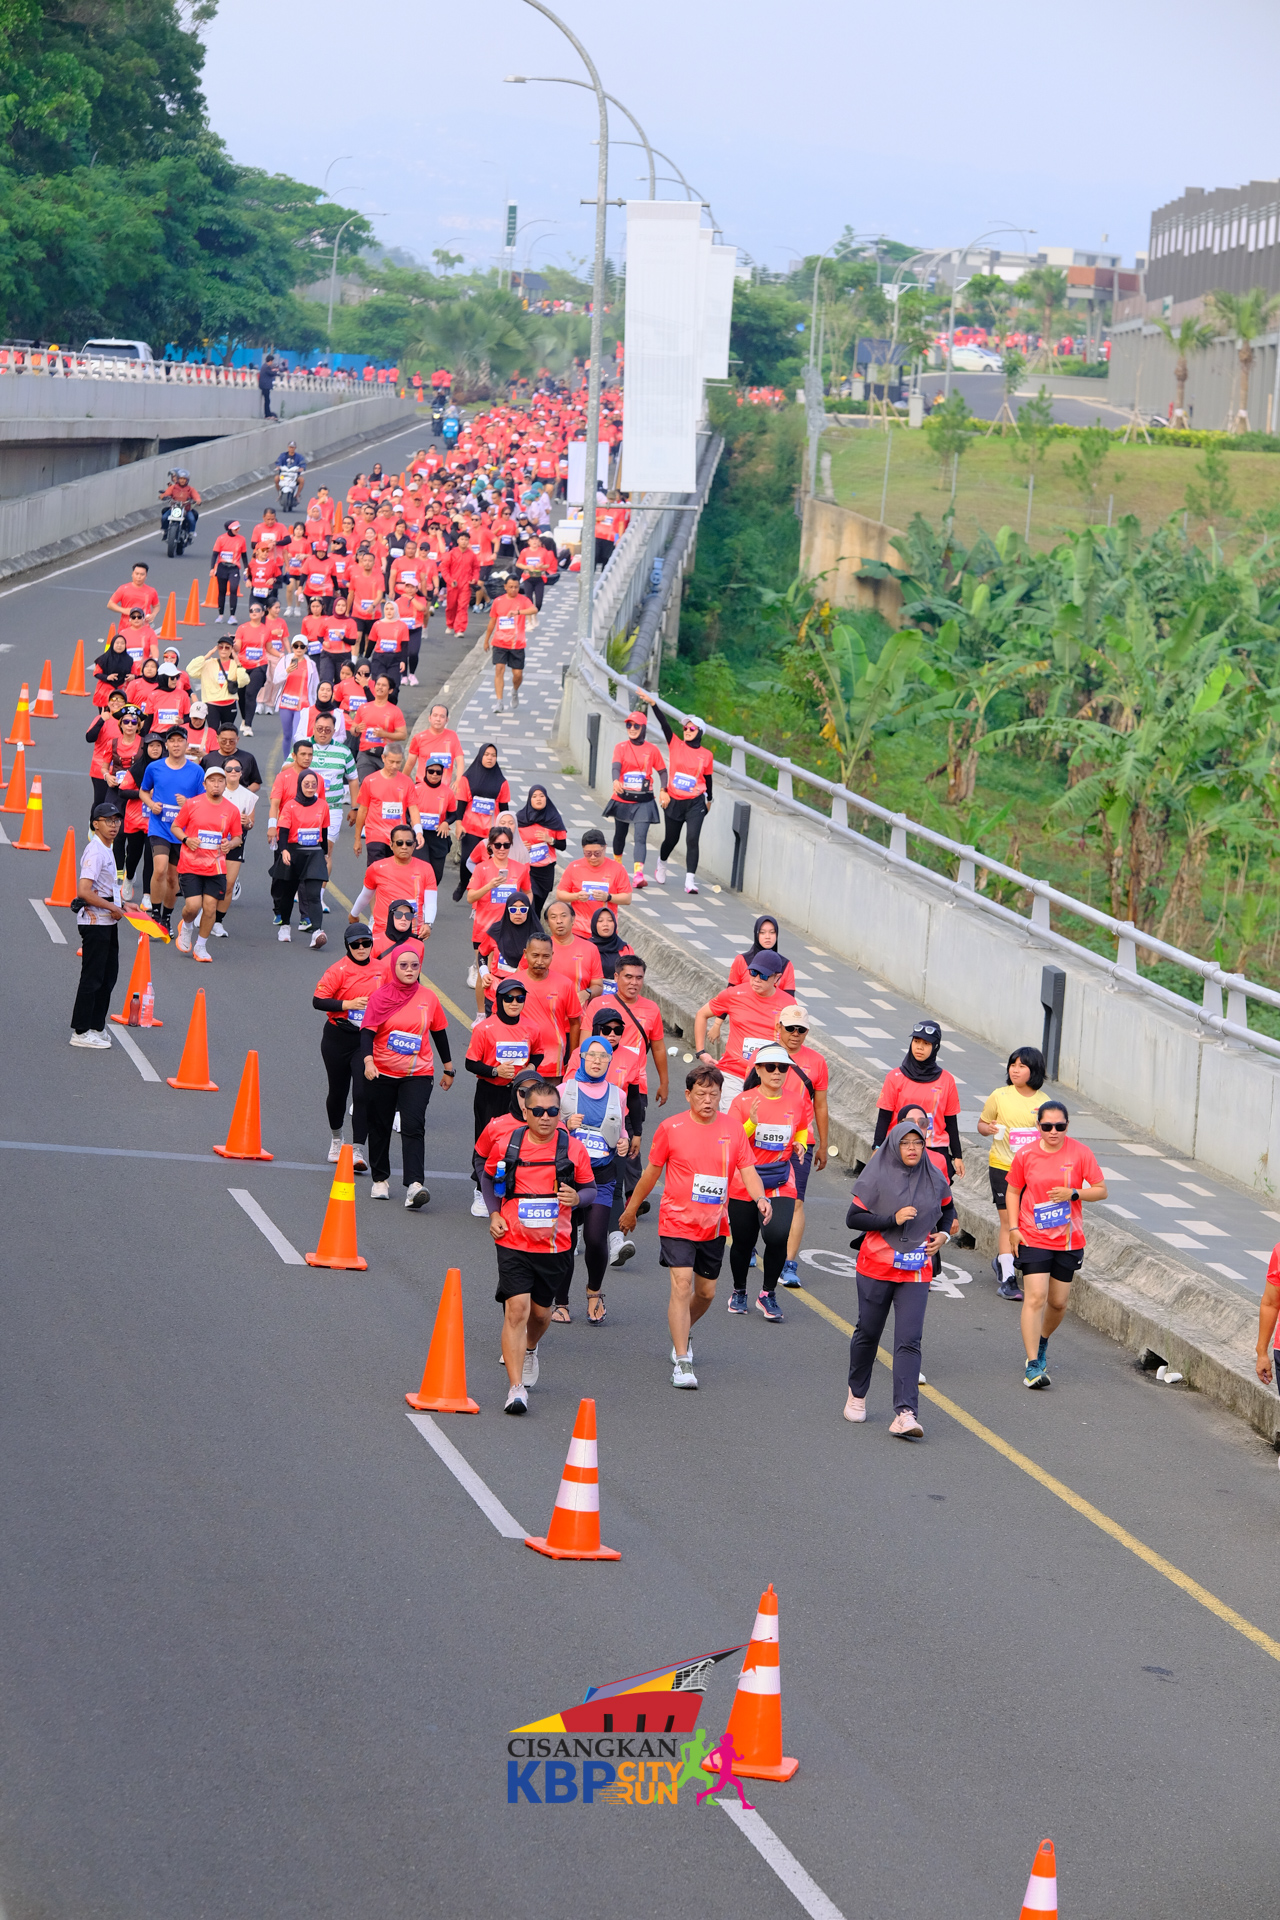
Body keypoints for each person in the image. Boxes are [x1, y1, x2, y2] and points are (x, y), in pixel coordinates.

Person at [618, 1062, 768, 1390]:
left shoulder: (734, 1130)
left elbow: (748, 1171)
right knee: (682, 1285)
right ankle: (683, 1362)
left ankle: (682, 1330)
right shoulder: (671, 1128)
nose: (707, 1100)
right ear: (688, 1095)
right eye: (701, 1094)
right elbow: (651, 1173)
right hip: (677, 1221)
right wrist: (630, 1211)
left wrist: (760, 1198)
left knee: (706, 1293)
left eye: (713, 1094)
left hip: (713, 1226)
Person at [480, 1075, 596, 1414]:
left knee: (542, 1314)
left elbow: (590, 1189)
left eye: (553, 1111)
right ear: (526, 1112)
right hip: (512, 1239)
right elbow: (488, 1176)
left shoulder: (573, 1148)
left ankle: (530, 1348)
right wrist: (493, 1213)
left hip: (554, 1245)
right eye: (539, 1111)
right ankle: (516, 1389)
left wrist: (577, 1198)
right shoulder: (508, 1143)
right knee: (517, 1309)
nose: (546, 1117)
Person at [844, 1121, 957, 1436]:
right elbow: (853, 1218)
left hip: (916, 1269)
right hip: (876, 1266)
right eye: (905, 1143)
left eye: (917, 1143)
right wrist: (891, 1219)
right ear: (894, 1145)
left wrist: (944, 1235)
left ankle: (906, 1413)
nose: (912, 1148)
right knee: (868, 1333)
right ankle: (857, 1393)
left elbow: (948, 1210)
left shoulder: (933, 1175)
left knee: (909, 1340)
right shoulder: (878, 1174)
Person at [1006, 1100, 1107, 1389]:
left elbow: (1101, 1190)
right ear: (1038, 1126)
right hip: (1032, 1235)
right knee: (1035, 1297)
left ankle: (1042, 1341)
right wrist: (1013, 1228)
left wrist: (1074, 1193)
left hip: (1068, 1239)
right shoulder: (1026, 1154)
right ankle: (1032, 1365)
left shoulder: (1080, 1153)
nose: (1053, 1132)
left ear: (1067, 1126)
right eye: (1047, 1126)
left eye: (1059, 1126)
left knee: (1058, 1303)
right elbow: (1013, 1191)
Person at [724, 1043, 816, 1321]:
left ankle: (767, 1293)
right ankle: (739, 1291)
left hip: (780, 1179)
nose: (777, 1072)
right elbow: (732, 1141)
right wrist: (751, 1123)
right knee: (743, 1242)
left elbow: (802, 1129)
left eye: (783, 1068)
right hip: (745, 1179)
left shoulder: (796, 1101)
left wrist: (800, 1145)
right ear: (759, 1070)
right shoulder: (743, 1102)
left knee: (777, 1236)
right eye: (771, 1067)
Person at [359, 939, 453, 1207]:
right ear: (394, 967)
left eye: (414, 965)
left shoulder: (428, 997)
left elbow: (439, 1032)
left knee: (413, 1125)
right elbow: (367, 1033)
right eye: (403, 965)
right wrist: (368, 1062)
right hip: (382, 1072)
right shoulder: (379, 997)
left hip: (418, 1073)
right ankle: (380, 1179)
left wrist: (448, 1068)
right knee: (380, 1125)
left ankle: (414, 1185)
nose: (410, 970)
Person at [466, 978, 550, 1218]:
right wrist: (495, 1071)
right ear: (499, 1000)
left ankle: (511, 1189)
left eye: (519, 998)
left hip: (521, 1094)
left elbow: (538, 1052)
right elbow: (470, 1062)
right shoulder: (485, 1028)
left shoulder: (532, 1027)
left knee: (519, 1139)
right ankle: (481, 1189)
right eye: (509, 998)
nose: (514, 1003)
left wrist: (531, 1066)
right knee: (487, 1140)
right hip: (491, 1092)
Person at [560, 1036, 627, 1325]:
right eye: (592, 1055)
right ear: (582, 1057)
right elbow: (544, 1128)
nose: (597, 1061)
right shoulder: (564, 1090)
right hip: (568, 1176)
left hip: (601, 1177)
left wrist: (624, 1142)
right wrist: (565, 1124)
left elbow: (620, 1130)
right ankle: (560, 1301)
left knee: (596, 1239)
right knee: (565, 1240)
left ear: (610, 1061)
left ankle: (594, 1293)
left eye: (604, 1056)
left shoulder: (618, 1094)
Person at [977, 1046, 1047, 1301]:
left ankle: (1004, 1260)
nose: (1015, 1070)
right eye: (1012, 1065)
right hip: (1002, 1166)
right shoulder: (999, 1095)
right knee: (1009, 1221)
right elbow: (982, 1124)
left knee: (1027, 1222)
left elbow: (1052, 1136)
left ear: (1034, 1070)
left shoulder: (1044, 1102)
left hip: (1032, 1172)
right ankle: (1008, 1279)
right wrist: (989, 1128)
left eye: (1022, 1066)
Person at [769, 1004, 829, 1286]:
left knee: (795, 1202)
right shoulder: (763, 1056)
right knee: (758, 1197)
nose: (795, 1033)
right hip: (765, 1138)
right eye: (790, 1028)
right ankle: (752, 1245)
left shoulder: (817, 1062)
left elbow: (821, 1105)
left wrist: (824, 1144)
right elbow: (748, 1097)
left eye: (801, 1029)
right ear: (778, 1027)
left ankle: (789, 1263)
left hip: (800, 1142)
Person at [693, 953, 795, 1111]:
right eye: (753, 972)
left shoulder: (788, 1004)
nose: (757, 979)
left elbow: (794, 1040)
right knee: (733, 1122)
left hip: (767, 1077)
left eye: (764, 975)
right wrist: (701, 1052)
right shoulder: (734, 994)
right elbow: (702, 1014)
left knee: (759, 1124)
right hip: (733, 1074)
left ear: (777, 977)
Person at [637, 691, 713, 894]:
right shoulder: (675, 744)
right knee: (671, 839)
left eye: (692, 728)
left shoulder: (707, 755)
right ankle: (661, 863)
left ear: (700, 732)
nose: (687, 731)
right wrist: (653, 704)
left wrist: (709, 799)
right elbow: (664, 724)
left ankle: (690, 881)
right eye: (685, 728)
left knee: (692, 839)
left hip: (696, 802)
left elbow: (708, 778)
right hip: (674, 800)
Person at [873, 1021, 964, 1181]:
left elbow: (951, 1121)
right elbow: (884, 1116)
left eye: (926, 1043)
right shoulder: (895, 1077)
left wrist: (957, 1156)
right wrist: (877, 1147)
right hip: (900, 1147)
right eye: (916, 1041)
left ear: (935, 1047)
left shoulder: (946, 1080)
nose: (919, 1047)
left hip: (934, 1149)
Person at [139, 725, 206, 932]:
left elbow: (204, 801)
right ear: (166, 745)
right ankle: (155, 914)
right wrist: (151, 804)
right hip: (159, 827)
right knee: (159, 868)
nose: (176, 745)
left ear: (186, 744)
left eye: (180, 741)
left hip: (182, 831)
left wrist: (188, 803)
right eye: (172, 741)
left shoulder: (196, 771)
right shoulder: (154, 768)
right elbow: (143, 791)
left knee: (172, 877)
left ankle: (166, 918)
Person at [70, 804, 126, 1047]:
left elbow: (106, 888)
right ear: (95, 824)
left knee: (108, 976)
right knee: (92, 977)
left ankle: (96, 1026)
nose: (114, 825)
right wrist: (112, 907)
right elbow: (84, 891)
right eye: (108, 820)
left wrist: (124, 904)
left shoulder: (107, 848)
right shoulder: (95, 851)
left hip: (107, 921)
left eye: (117, 820)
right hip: (95, 923)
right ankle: (81, 1032)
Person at [171, 764, 239, 962]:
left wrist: (230, 844)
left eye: (220, 781)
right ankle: (186, 925)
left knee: (210, 908)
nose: (216, 785)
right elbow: (175, 826)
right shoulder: (192, 804)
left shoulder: (232, 810)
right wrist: (186, 839)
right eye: (212, 781)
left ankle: (201, 946)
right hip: (191, 864)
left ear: (225, 784)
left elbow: (237, 836)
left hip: (216, 866)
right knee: (193, 906)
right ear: (205, 784)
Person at [604, 707, 666, 887]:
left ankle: (638, 874)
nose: (631, 729)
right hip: (623, 798)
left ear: (643, 728)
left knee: (640, 837)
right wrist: (616, 780)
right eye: (629, 725)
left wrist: (664, 790)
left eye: (636, 726)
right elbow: (616, 766)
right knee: (620, 834)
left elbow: (662, 771)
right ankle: (617, 866)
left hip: (644, 801)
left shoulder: (652, 750)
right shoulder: (621, 747)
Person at [275, 768, 330, 947]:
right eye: (307, 784)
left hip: (314, 853)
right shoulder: (290, 806)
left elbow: (324, 830)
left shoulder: (322, 805)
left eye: (314, 784)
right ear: (300, 785)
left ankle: (317, 932)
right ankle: (285, 926)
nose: (310, 787)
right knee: (288, 892)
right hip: (293, 852)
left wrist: (325, 853)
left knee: (313, 894)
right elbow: (283, 831)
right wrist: (283, 850)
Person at [516, 931, 581, 1074]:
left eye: (545, 956)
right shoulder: (512, 983)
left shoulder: (565, 985)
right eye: (535, 955)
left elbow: (575, 1023)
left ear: (552, 955)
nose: (540, 961)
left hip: (553, 1061)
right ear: (525, 954)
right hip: (518, 1059)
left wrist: (573, 1058)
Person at [451, 743, 510, 901]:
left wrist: (506, 830)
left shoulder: (502, 782)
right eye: (487, 755)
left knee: (488, 863)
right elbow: (461, 803)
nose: (490, 758)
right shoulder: (467, 778)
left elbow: (504, 809)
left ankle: (481, 891)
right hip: (470, 828)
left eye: (493, 755)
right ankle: (464, 883)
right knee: (466, 860)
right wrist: (458, 824)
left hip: (492, 832)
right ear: (480, 756)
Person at [352, 740, 421, 865]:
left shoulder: (407, 782)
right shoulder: (370, 781)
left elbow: (413, 808)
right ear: (383, 758)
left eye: (398, 762)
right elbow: (363, 810)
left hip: (398, 836)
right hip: (375, 834)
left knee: (395, 871)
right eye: (391, 761)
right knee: (377, 870)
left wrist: (419, 831)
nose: (394, 766)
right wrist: (357, 839)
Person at [555, 826, 633, 935]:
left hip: (605, 931)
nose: (592, 857)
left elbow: (627, 898)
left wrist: (608, 897)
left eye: (597, 853)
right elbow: (560, 894)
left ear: (604, 848)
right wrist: (577, 896)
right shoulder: (574, 867)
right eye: (588, 853)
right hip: (578, 929)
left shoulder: (617, 869)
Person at [482, 572, 537, 712]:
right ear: (505, 586)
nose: (513, 589)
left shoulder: (523, 600)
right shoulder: (498, 601)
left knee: (517, 674)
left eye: (516, 587)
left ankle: (514, 691)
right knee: (499, 669)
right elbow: (492, 622)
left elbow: (534, 609)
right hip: (500, 642)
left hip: (517, 643)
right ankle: (499, 702)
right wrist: (486, 640)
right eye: (511, 587)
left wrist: (518, 612)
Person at [476, 889, 537, 1013]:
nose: (518, 913)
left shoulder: (537, 937)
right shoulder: (496, 931)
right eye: (513, 909)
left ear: (528, 911)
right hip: (495, 991)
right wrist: (484, 973)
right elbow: (482, 954)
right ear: (507, 910)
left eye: (523, 909)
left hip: (523, 993)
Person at [214, 755, 255, 935]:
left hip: (236, 843)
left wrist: (247, 822)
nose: (233, 772)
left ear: (241, 773)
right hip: (212, 842)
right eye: (229, 769)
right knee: (211, 881)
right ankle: (206, 912)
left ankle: (217, 921)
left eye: (237, 769)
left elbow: (251, 823)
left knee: (228, 884)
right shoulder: (215, 792)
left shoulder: (248, 796)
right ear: (223, 772)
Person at [515, 783, 566, 916]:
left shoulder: (554, 818)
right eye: (535, 796)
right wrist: (520, 846)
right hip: (527, 868)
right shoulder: (520, 818)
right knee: (529, 904)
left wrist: (550, 840)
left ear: (546, 798)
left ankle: (535, 927)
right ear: (529, 799)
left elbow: (563, 845)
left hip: (546, 870)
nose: (538, 799)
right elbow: (510, 843)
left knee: (537, 908)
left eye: (542, 796)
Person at [727, 916, 796, 993]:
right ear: (756, 934)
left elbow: (789, 997)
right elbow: (730, 993)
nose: (768, 937)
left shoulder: (786, 965)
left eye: (772, 932)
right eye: (762, 932)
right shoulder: (741, 960)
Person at [406, 702, 464, 788]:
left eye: (442, 716)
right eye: (435, 715)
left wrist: (458, 780)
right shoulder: (418, 738)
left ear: (447, 720)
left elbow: (460, 760)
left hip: (443, 788)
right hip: (422, 786)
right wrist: (403, 781)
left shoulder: (452, 736)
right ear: (429, 718)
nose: (438, 719)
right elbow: (410, 763)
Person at [440, 527, 480, 635]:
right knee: (451, 606)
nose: (464, 541)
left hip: (466, 585)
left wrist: (474, 579)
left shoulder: (472, 555)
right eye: (462, 539)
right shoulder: (452, 553)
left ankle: (460, 629)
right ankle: (450, 624)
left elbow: (476, 568)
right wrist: (450, 580)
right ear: (458, 540)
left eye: (466, 540)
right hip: (453, 584)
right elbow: (444, 568)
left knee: (462, 607)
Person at [211, 521, 247, 623]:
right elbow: (215, 554)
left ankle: (232, 616)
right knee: (222, 591)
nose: (238, 530)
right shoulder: (221, 538)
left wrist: (246, 568)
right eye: (236, 528)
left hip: (234, 568)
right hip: (222, 567)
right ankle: (220, 615)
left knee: (233, 589)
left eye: (238, 528)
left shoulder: (242, 539)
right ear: (230, 529)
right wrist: (212, 568)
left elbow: (244, 555)